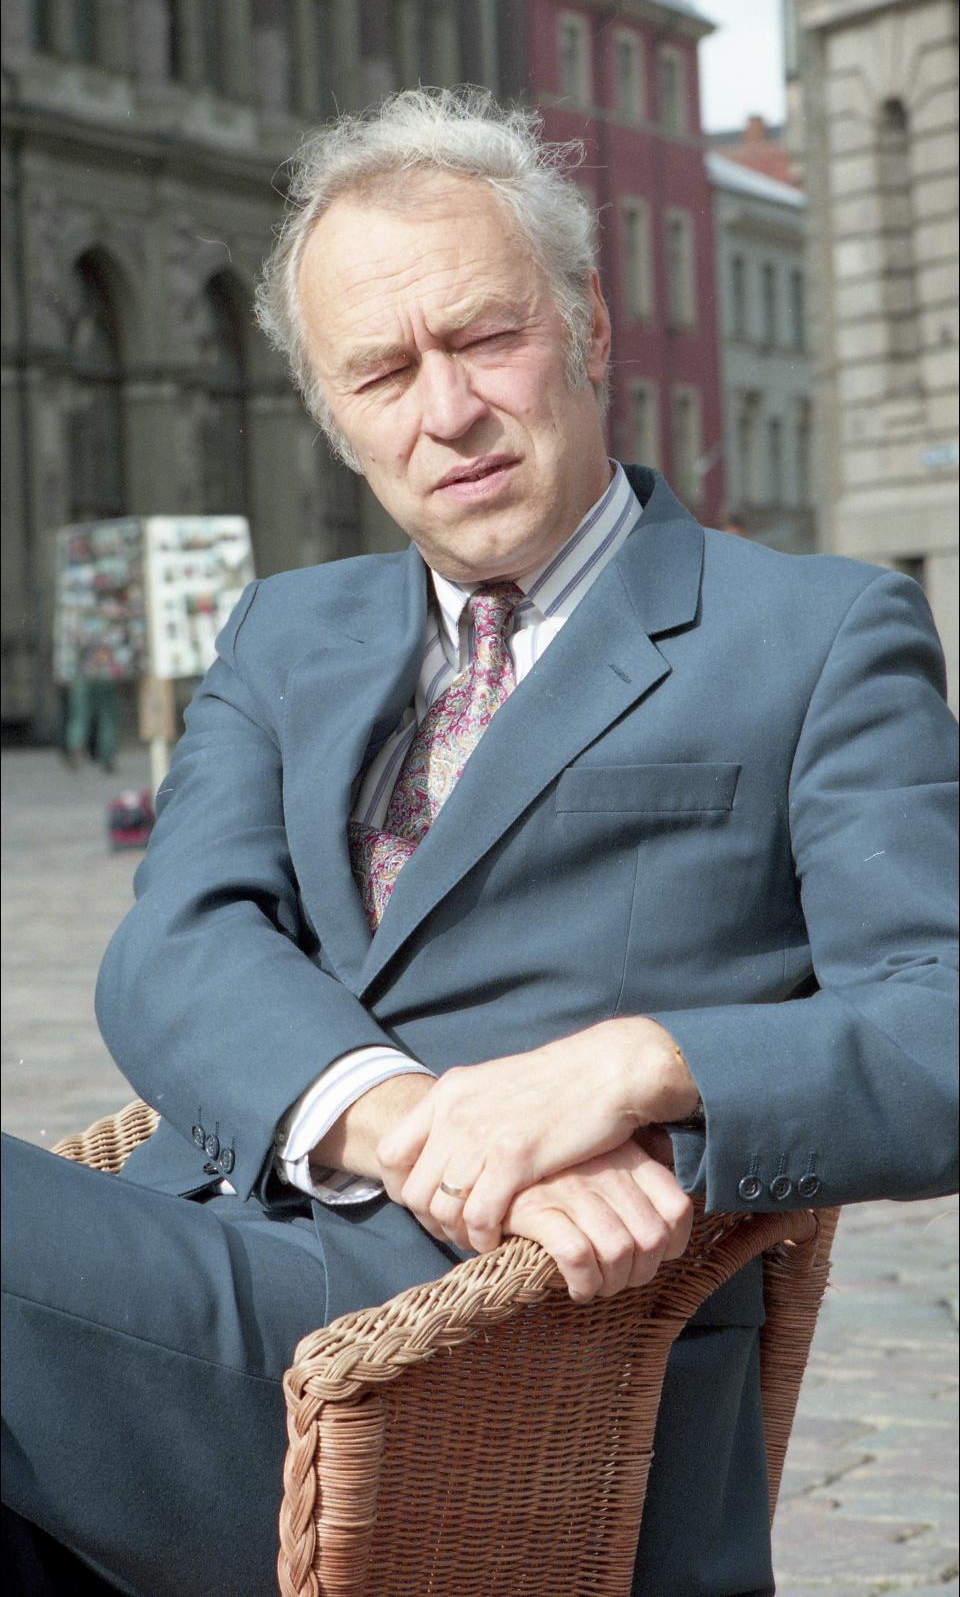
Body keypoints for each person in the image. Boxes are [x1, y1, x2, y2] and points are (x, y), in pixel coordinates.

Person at [2, 89, 957, 1597]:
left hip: (504, 1377)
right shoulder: (287, 630)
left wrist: (637, 1064)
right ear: (335, 418)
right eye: (381, 373)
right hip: (181, 1297)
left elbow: (939, 1024)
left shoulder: (817, 634)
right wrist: (413, 1126)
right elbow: (176, 945)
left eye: (483, 338)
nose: (444, 412)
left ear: (587, 324)